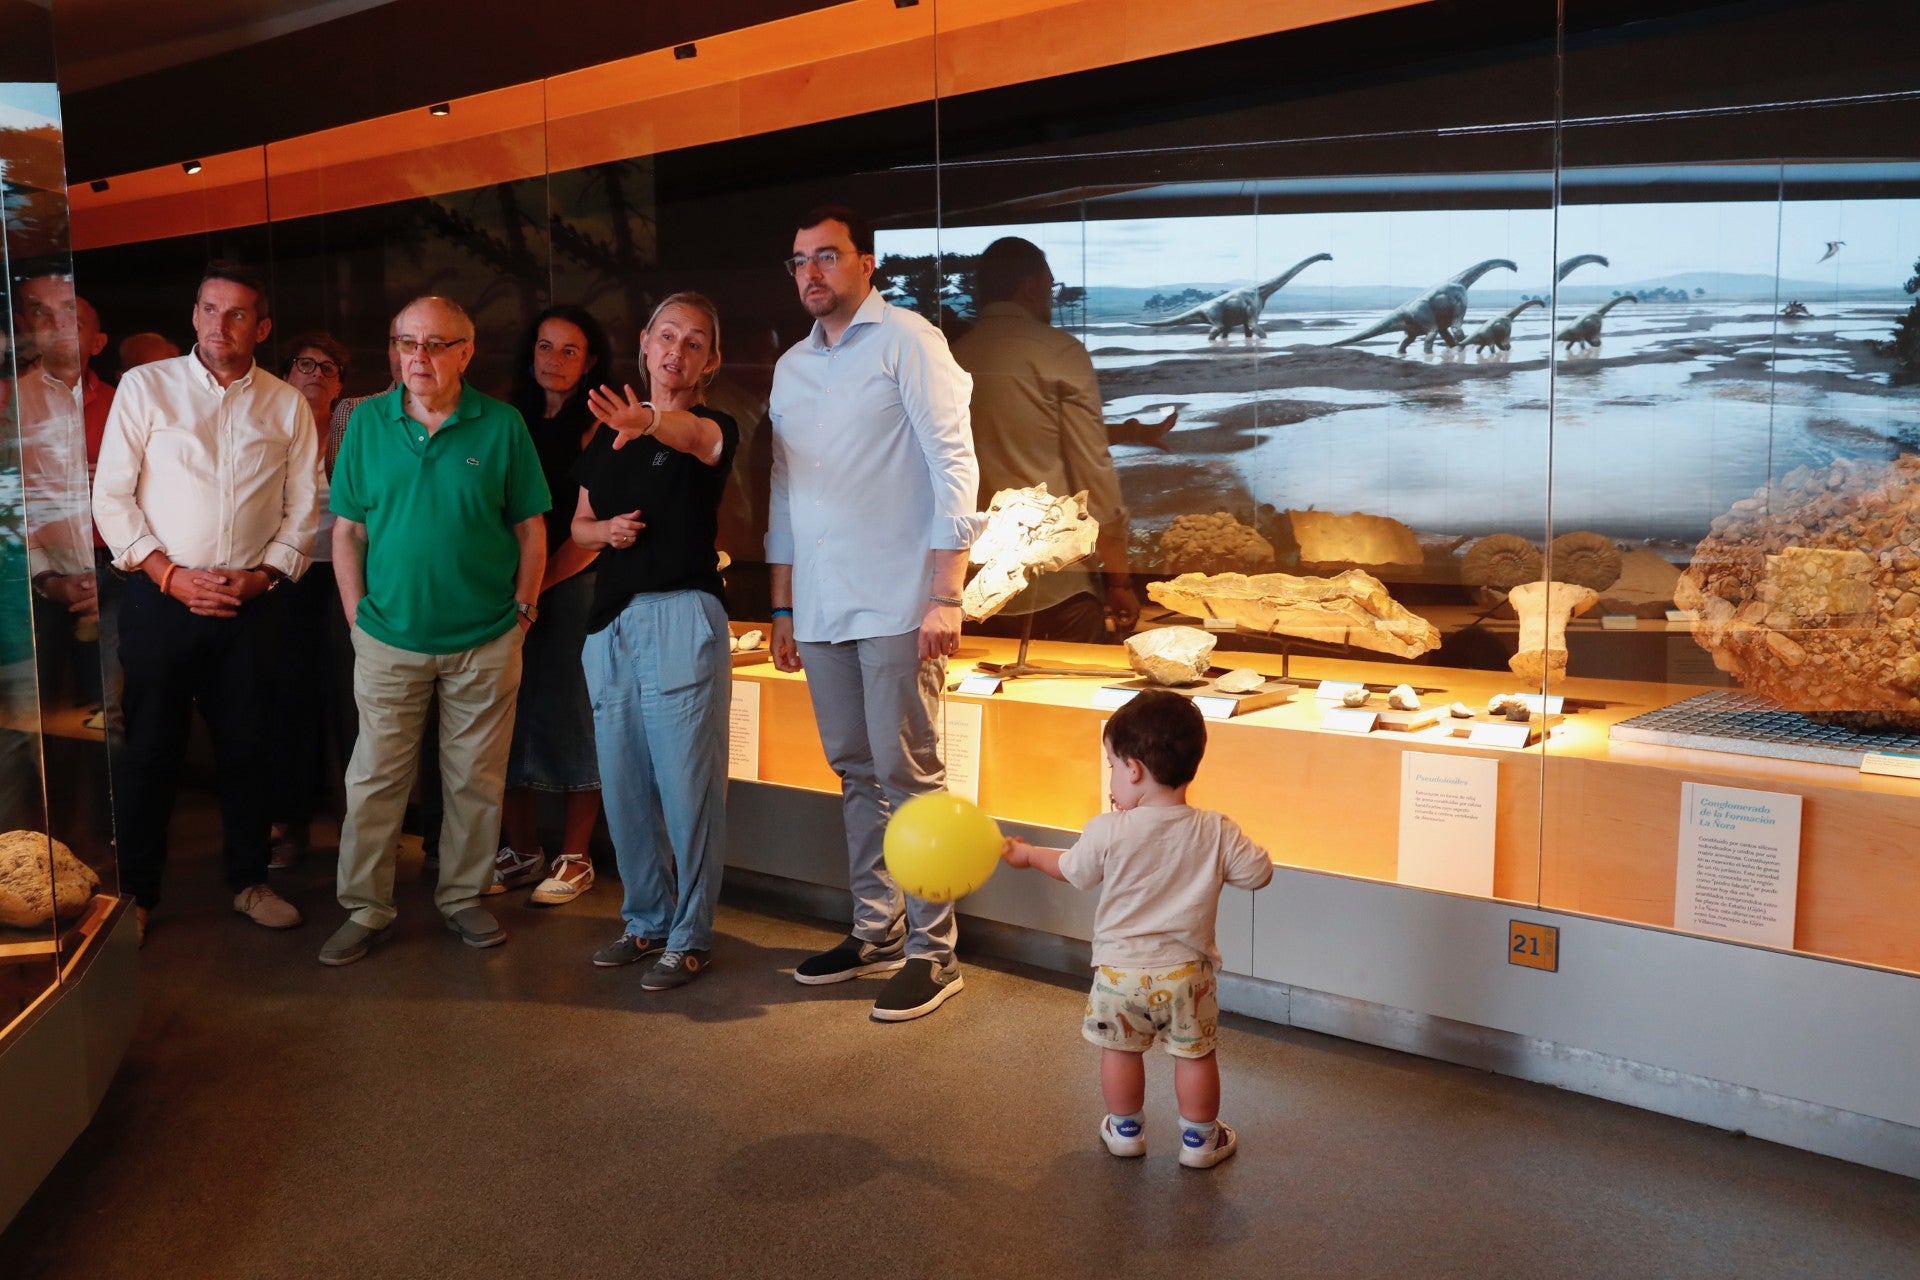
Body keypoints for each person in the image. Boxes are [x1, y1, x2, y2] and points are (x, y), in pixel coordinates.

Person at [767, 205, 982, 1022]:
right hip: (820, 604)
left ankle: (936, 951)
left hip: (899, 597)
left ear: (866, 266)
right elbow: (788, 491)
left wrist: (946, 592)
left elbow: (955, 465)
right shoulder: (792, 368)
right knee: (855, 771)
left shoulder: (909, 342)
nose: (811, 273)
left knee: (910, 777)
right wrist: (783, 602)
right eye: (798, 261)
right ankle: (875, 929)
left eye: (827, 256)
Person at [92, 261, 318, 944]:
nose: (221, 324)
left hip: (252, 605)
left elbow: (304, 509)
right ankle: (137, 896)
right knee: (152, 751)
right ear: (195, 316)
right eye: (210, 309)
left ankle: (249, 882)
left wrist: (263, 577)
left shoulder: (285, 403)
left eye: (238, 313)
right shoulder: (145, 386)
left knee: (250, 749)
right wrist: (167, 574)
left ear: (262, 326)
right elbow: (111, 495)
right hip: (164, 599)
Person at [319, 296, 549, 966]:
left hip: (485, 637)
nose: (418, 357)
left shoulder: (501, 426)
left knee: (475, 779)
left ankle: (464, 897)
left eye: (434, 344)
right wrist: (358, 616)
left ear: (465, 352)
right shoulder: (365, 424)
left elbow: (531, 531)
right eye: (406, 342)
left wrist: (524, 612)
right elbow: (347, 532)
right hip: (388, 637)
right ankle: (365, 908)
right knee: (373, 781)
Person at [1000, 690, 1273, 1168]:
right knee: (1195, 1056)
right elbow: (1258, 873)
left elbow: (1071, 870)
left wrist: (1027, 855)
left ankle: (1125, 1130)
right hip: (1187, 976)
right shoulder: (1214, 828)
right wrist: (1227, 845)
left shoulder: (1107, 829)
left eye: (1110, 764)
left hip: (1118, 975)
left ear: (1134, 770)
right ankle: (1199, 1142)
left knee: (1120, 1052)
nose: (1110, 779)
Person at [573, 292, 738, 989]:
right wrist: (603, 534)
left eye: (694, 342)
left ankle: (691, 936)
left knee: (688, 792)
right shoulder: (603, 439)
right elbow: (579, 526)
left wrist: (646, 419)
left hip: (681, 617)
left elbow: (692, 440)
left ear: (710, 362)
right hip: (610, 627)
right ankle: (645, 922)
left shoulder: (711, 426)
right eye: (666, 336)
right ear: (644, 342)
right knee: (625, 791)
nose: (677, 351)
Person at [953, 237, 1138, 642]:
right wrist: (1120, 579)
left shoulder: (951, 357)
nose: (1051, 299)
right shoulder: (1060, 353)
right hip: (1057, 586)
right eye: (1050, 287)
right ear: (1029, 285)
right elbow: (1093, 470)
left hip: (968, 585)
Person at [490, 305, 614, 906]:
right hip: (508, 586)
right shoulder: (504, 419)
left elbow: (595, 527)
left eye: (570, 350)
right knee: (504, 713)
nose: (555, 360)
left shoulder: (600, 424)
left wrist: (537, 586)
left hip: (572, 585)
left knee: (572, 714)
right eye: (545, 347)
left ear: (590, 360)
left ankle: (576, 856)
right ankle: (520, 849)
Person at [267, 333, 352, 867]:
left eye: (330, 367)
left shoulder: (355, 432)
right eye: (306, 364)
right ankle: (290, 828)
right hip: (284, 578)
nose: (317, 374)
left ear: (342, 384)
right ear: (286, 374)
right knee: (288, 706)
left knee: (352, 707)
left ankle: (358, 832)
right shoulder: (268, 431)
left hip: (347, 579)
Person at [16, 272, 113, 711]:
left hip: (115, 572)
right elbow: (7, 503)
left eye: (72, 317)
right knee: (35, 714)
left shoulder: (125, 402)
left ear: (98, 341)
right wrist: (46, 579)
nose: (57, 325)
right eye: (44, 314)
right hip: (29, 578)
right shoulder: (10, 403)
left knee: (108, 711)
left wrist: (114, 579)